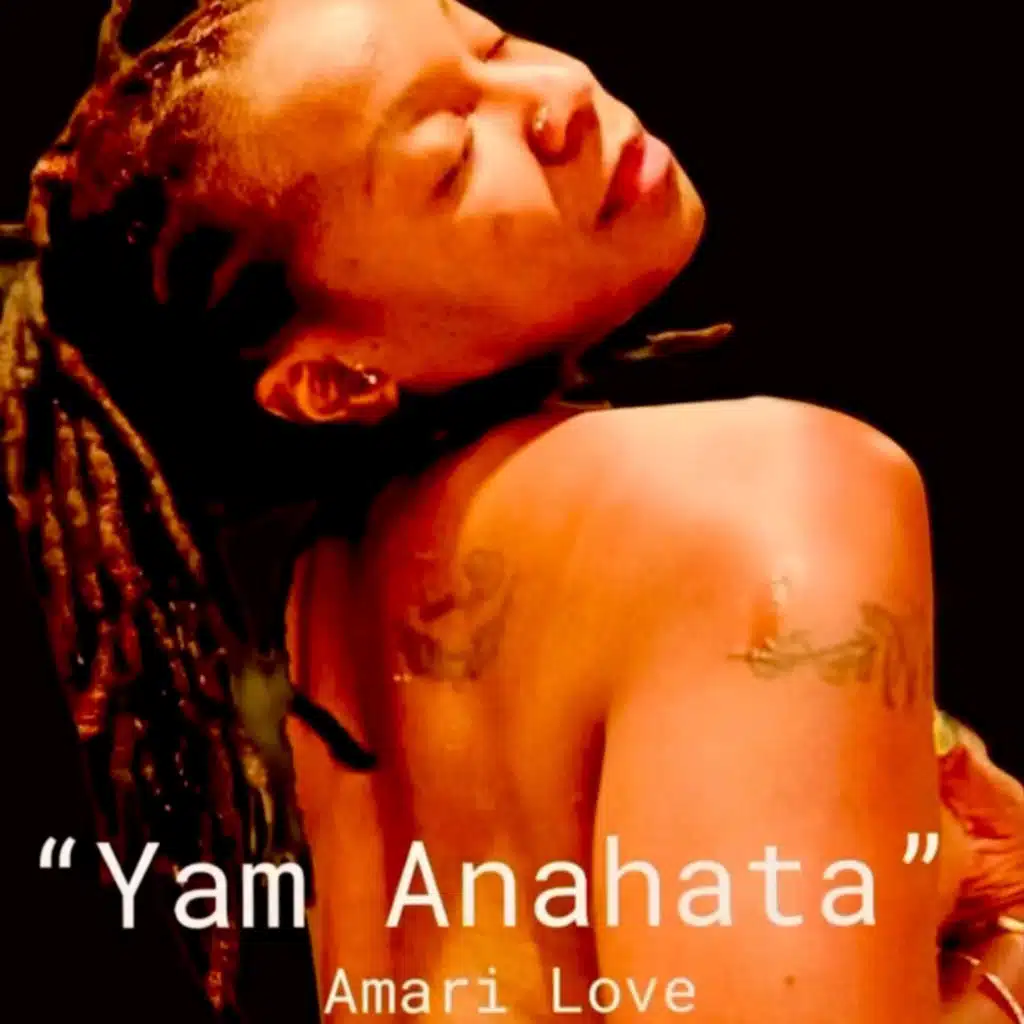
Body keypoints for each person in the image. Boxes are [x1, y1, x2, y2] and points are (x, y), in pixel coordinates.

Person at [1, 0, 1021, 1020]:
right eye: (449, 159)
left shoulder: (336, 595)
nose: (554, 97)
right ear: (337, 381)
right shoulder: (764, 490)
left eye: (489, 43)